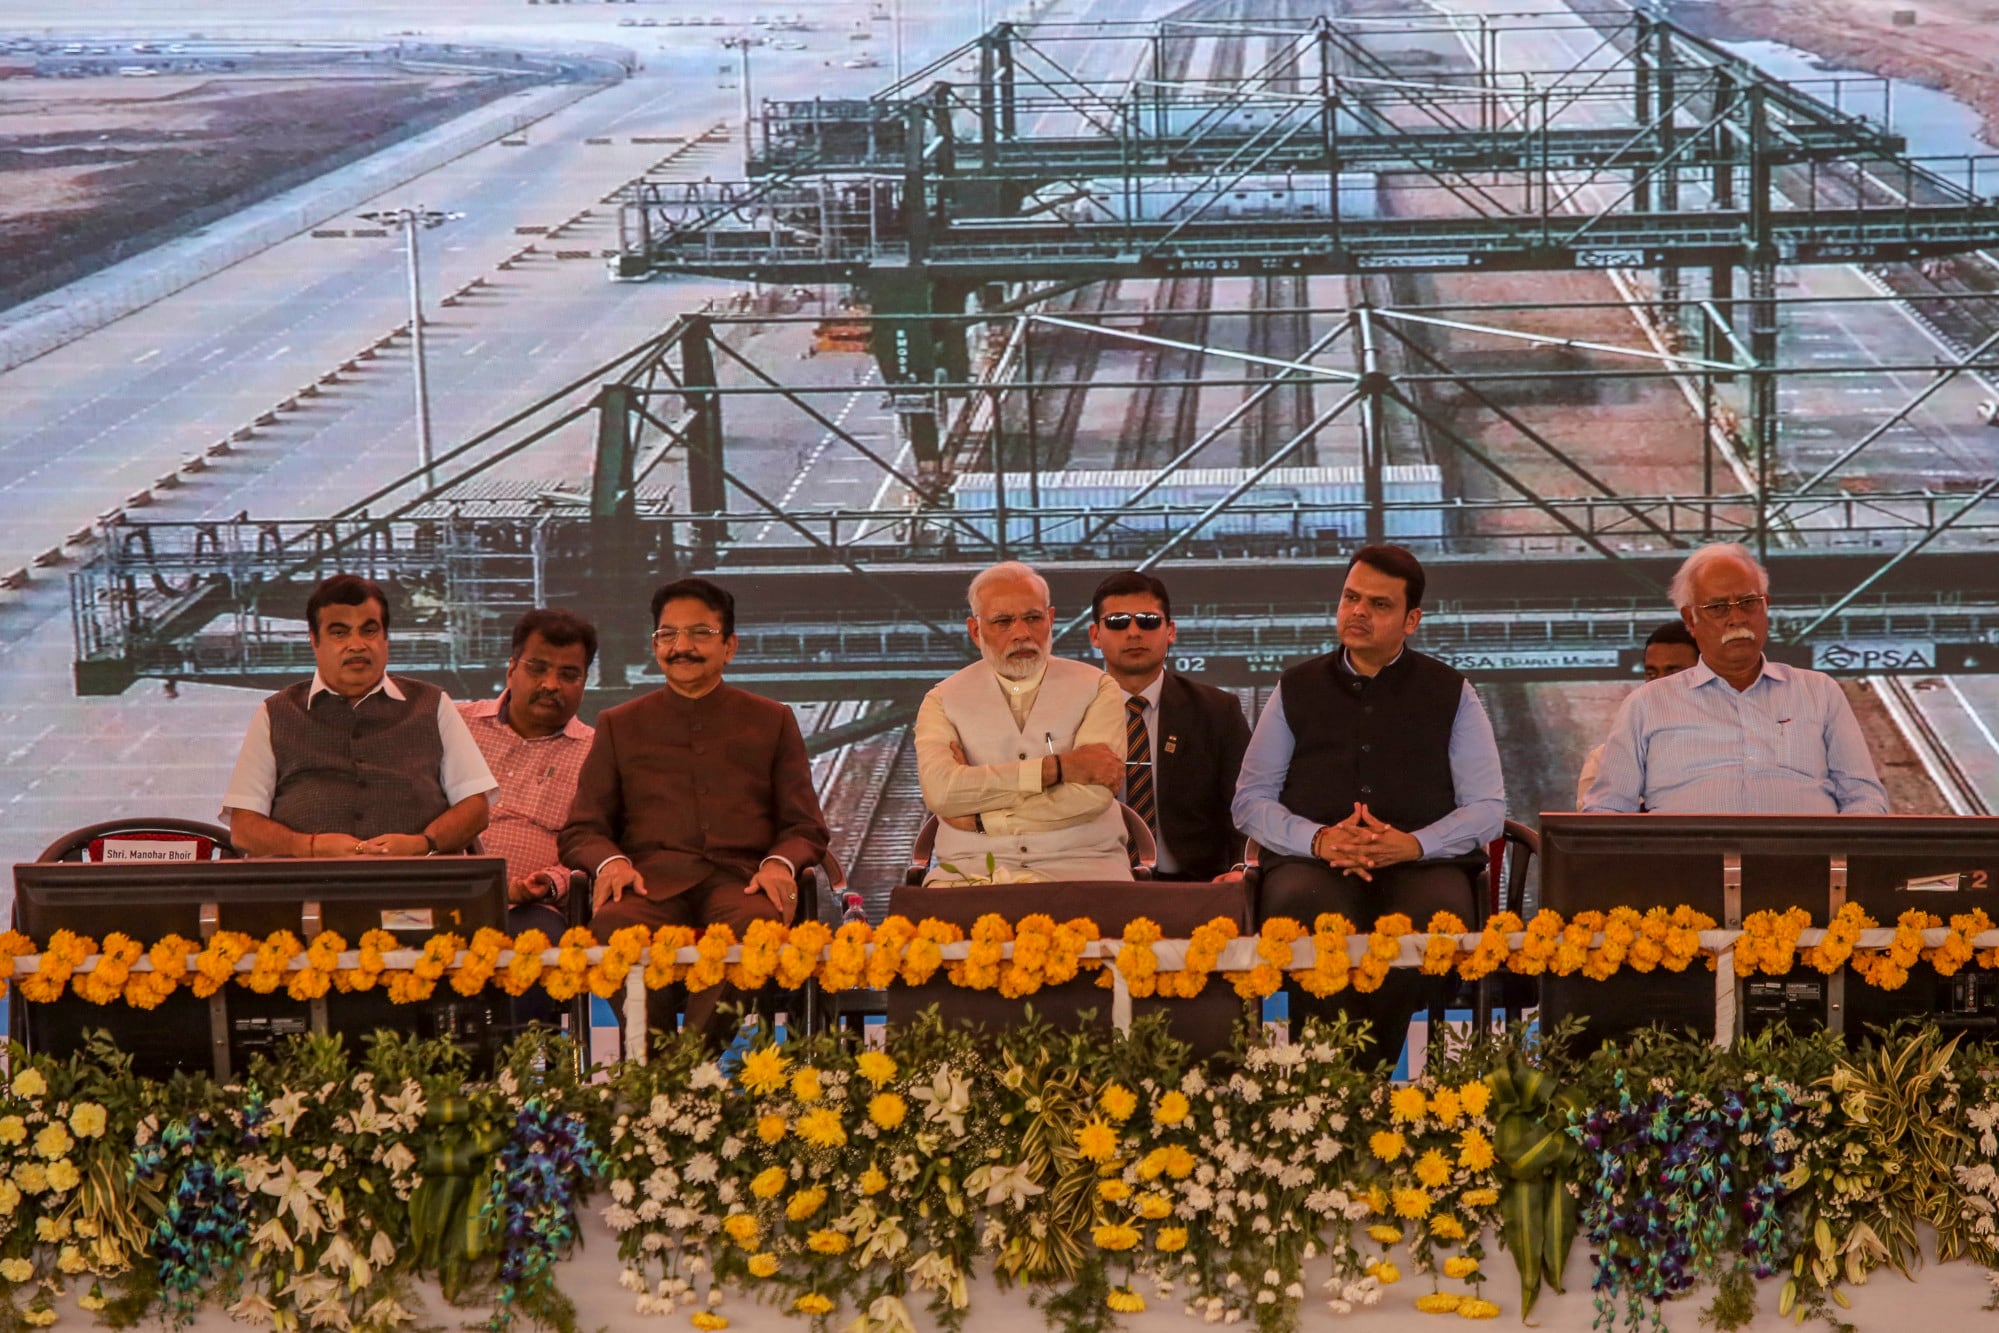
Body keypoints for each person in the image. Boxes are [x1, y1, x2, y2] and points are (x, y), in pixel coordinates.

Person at [1232, 544, 1505, 1063]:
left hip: (1420, 864)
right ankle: (1333, 1070)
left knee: (1434, 912)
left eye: (1379, 605)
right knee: (1304, 905)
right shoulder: (1296, 687)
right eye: (1351, 598)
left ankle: (1364, 1072)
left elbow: (1487, 807)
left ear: (1412, 620)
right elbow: (1250, 800)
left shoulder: (1453, 692)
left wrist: (1413, 845)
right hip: (1313, 861)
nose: (1358, 612)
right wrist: (1318, 839)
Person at [559, 578, 828, 1044]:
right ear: (655, 645)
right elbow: (582, 829)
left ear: (729, 647)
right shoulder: (619, 724)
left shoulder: (772, 720)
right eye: (668, 635)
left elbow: (805, 826)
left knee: (758, 928)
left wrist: (779, 863)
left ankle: (682, 1073)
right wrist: (611, 861)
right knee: (613, 924)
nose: (682, 647)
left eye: (700, 633)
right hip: (650, 882)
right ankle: (665, 1068)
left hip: (740, 880)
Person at [1582, 543, 1889, 815]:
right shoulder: (1647, 705)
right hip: (1685, 874)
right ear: (1690, 619)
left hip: (1807, 872)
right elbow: (1607, 810)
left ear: (1766, 605)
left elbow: (1863, 797)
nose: (1737, 618)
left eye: (1748, 603)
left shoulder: (1819, 692)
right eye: (1717, 608)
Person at [221, 574, 494, 858]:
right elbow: (244, 827)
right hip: (308, 888)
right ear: (314, 640)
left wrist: (421, 844)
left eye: (369, 630)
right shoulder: (275, 713)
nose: (357, 645)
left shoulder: (433, 704)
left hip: (416, 884)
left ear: (386, 637)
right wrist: (312, 848)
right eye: (339, 632)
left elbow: (475, 808)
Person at [914, 561, 1131, 883]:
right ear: (975, 630)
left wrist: (981, 820)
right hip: (967, 871)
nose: (1021, 633)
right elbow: (942, 793)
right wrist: (1056, 769)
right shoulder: (942, 699)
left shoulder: (1097, 687)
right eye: (1003, 621)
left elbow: (1093, 795)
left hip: (1085, 866)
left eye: (1033, 618)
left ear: (1051, 619)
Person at [1086, 570, 1252, 881]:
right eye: (1118, 622)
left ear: (1170, 630)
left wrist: (1240, 870)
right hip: (1097, 883)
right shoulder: (1071, 712)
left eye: (1148, 621)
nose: (1134, 632)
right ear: (1095, 635)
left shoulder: (1217, 710)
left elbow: (1245, 808)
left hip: (1197, 884)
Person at [458, 609, 599, 954]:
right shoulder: (455, 725)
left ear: (584, 682)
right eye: (537, 669)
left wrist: (551, 883)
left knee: (534, 949)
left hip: (532, 910)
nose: (551, 684)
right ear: (511, 669)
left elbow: (598, 844)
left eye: (568, 674)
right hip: (446, 891)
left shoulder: (597, 753)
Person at [1574, 621, 1700, 806]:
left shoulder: (1735, 751)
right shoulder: (1604, 761)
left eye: (1674, 673)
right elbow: (1594, 831)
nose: (1659, 685)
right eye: (1652, 674)